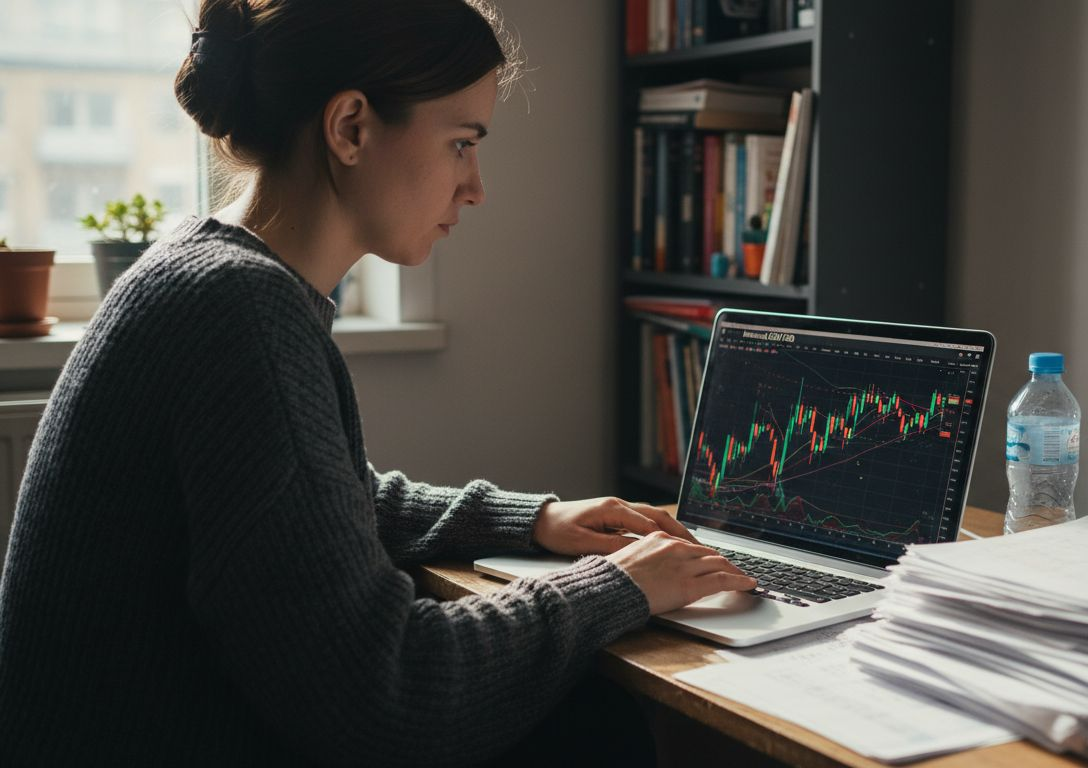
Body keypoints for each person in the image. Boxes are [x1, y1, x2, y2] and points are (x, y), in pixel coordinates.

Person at [0, 0, 756, 764]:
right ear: (351, 127)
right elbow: (388, 693)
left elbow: (326, 502)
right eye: (461, 143)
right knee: (594, 726)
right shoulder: (241, 313)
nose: (476, 187)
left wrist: (536, 520)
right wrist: (615, 588)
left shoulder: (209, 272)